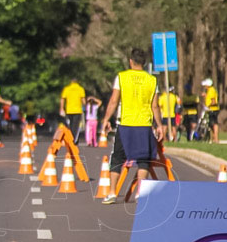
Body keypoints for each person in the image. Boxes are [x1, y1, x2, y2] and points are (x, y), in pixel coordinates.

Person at [99, 47, 165, 204]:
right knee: (144, 159)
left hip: (125, 123)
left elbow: (114, 100)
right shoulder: (152, 80)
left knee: (117, 157)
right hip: (144, 124)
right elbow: (154, 106)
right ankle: (139, 193)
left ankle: (112, 192)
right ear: (144, 62)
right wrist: (159, 125)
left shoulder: (121, 77)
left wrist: (106, 119)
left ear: (130, 61)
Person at [60, 78, 86, 142]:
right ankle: (73, 139)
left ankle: (69, 138)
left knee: (69, 125)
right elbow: (83, 101)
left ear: (71, 82)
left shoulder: (67, 89)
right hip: (77, 110)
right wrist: (84, 106)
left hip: (69, 110)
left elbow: (62, 99)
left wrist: (61, 108)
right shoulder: (80, 89)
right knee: (75, 125)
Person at [200, 78, 220, 144]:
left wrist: (208, 106)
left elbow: (213, 101)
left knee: (214, 123)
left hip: (213, 110)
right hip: (211, 110)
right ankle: (213, 138)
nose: (205, 86)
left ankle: (216, 138)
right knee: (211, 124)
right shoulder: (209, 91)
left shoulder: (211, 91)